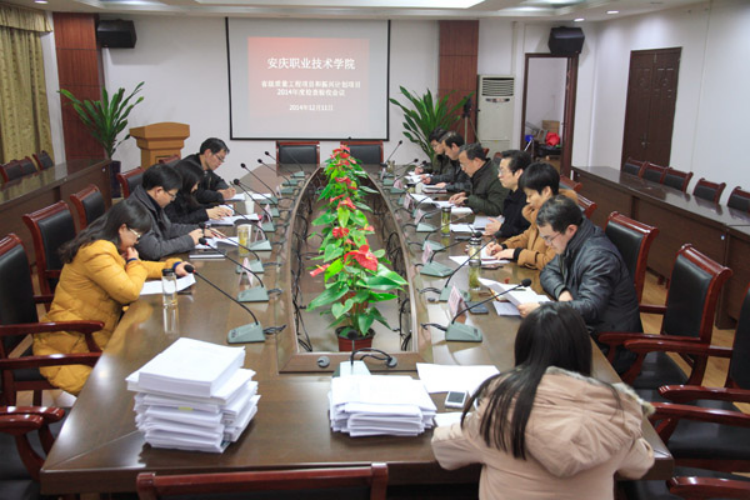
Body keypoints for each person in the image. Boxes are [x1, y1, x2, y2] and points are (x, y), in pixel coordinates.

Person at [431, 303, 654, 500]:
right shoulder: (613, 416)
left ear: (523, 351)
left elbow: (444, 450)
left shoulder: (498, 411)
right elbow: (640, 465)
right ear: (583, 352)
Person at [32, 200, 192, 395]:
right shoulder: (96, 253)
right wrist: (133, 262)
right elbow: (128, 292)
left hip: (93, 329)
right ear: (122, 228)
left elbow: (135, 267)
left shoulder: (105, 246)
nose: (136, 242)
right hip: (73, 338)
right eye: (137, 236)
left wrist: (171, 266)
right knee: (128, 377)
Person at [518, 195, 642, 372]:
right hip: (582, 329)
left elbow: (590, 308)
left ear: (570, 229)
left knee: (533, 354)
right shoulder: (572, 240)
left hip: (609, 345)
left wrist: (544, 309)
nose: (547, 244)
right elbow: (548, 271)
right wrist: (562, 292)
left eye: (549, 238)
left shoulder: (598, 256)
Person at [487, 162, 576, 270]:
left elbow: (550, 262)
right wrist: (504, 246)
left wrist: (517, 253)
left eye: (530, 195)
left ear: (546, 191)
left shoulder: (561, 218)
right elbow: (527, 236)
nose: (527, 200)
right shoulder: (539, 211)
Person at [130, 163, 223, 261]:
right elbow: (154, 251)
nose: (173, 199)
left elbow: (169, 229)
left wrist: (200, 231)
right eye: (172, 195)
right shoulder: (135, 211)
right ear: (158, 191)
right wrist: (189, 240)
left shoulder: (152, 201)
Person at [447, 143, 508, 216]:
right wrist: (465, 194)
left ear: (477, 161)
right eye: (461, 165)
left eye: (463, 164)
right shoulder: (478, 171)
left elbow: (496, 209)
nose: (463, 169)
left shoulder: (496, 177)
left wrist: (469, 200)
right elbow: (481, 193)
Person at [483, 150, 531, 239]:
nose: (499, 175)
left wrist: (502, 228)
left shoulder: (528, 199)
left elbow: (528, 234)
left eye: (503, 171)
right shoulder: (512, 193)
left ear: (518, 173)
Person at [167, 162, 233, 225]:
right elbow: (176, 223)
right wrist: (206, 214)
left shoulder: (186, 193)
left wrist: (215, 208)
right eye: (195, 184)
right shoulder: (170, 197)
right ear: (187, 181)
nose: (196, 188)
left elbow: (194, 208)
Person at [175, 137, 236, 205]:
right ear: (208, 153)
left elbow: (218, 181)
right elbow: (196, 194)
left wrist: (224, 190)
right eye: (219, 158)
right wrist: (220, 195)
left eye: (222, 160)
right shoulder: (190, 166)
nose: (220, 163)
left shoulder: (206, 167)